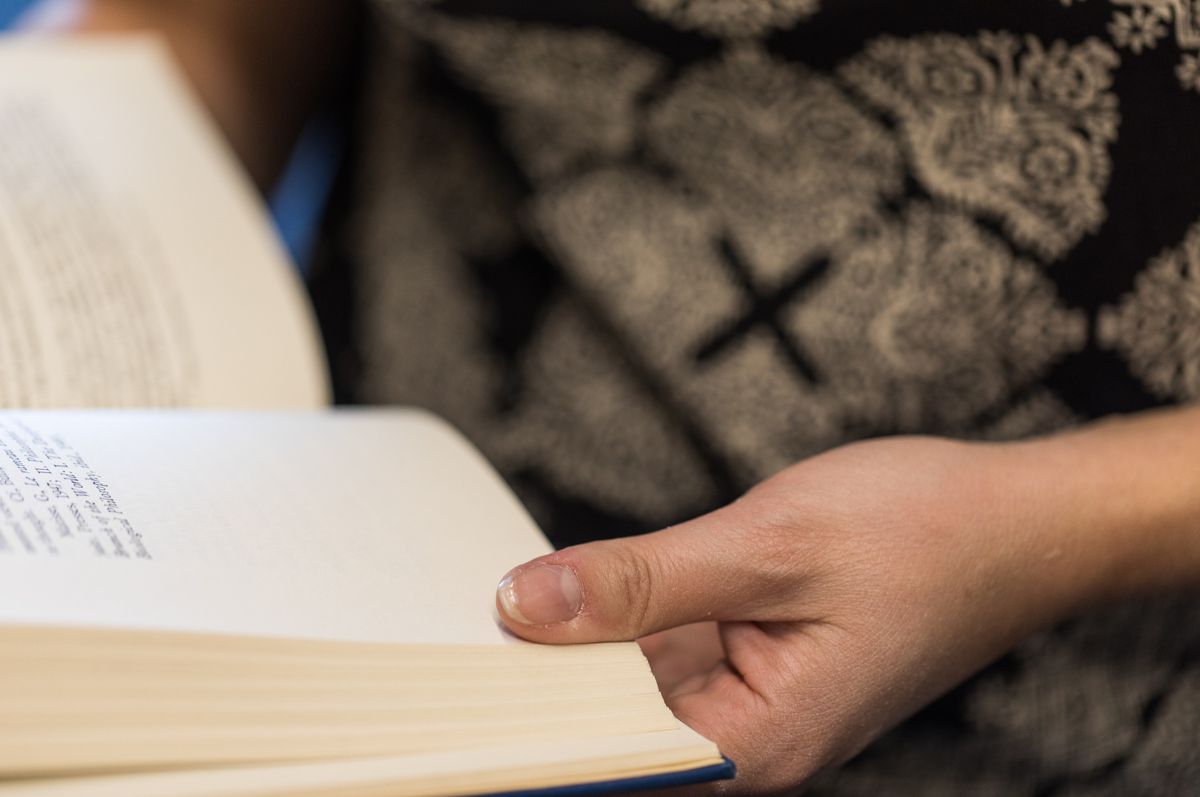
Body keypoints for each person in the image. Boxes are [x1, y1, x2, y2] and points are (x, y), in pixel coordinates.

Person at [76, 1, 1200, 793]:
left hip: (1065, 660)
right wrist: (71, 213)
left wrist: (1056, 528)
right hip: (323, 547)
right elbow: (214, 23)